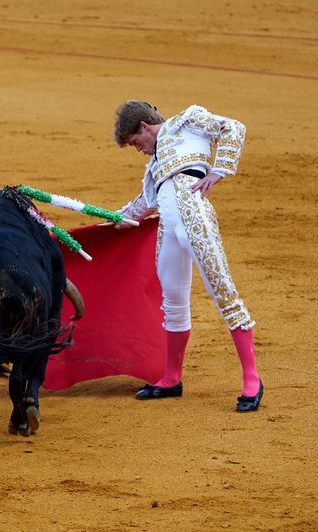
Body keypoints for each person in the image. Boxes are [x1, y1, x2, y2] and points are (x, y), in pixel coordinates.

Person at [112, 100, 263, 412]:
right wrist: (108, 219)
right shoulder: (155, 166)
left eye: (135, 143)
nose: (138, 150)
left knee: (223, 291)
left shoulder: (187, 121)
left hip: (196, 218)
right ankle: (171, 378)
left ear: (143, 127)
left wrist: (219, 171)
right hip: (169, 229)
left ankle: (252, 380)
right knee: (173, 303)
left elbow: (233, 127)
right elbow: (144, 204)